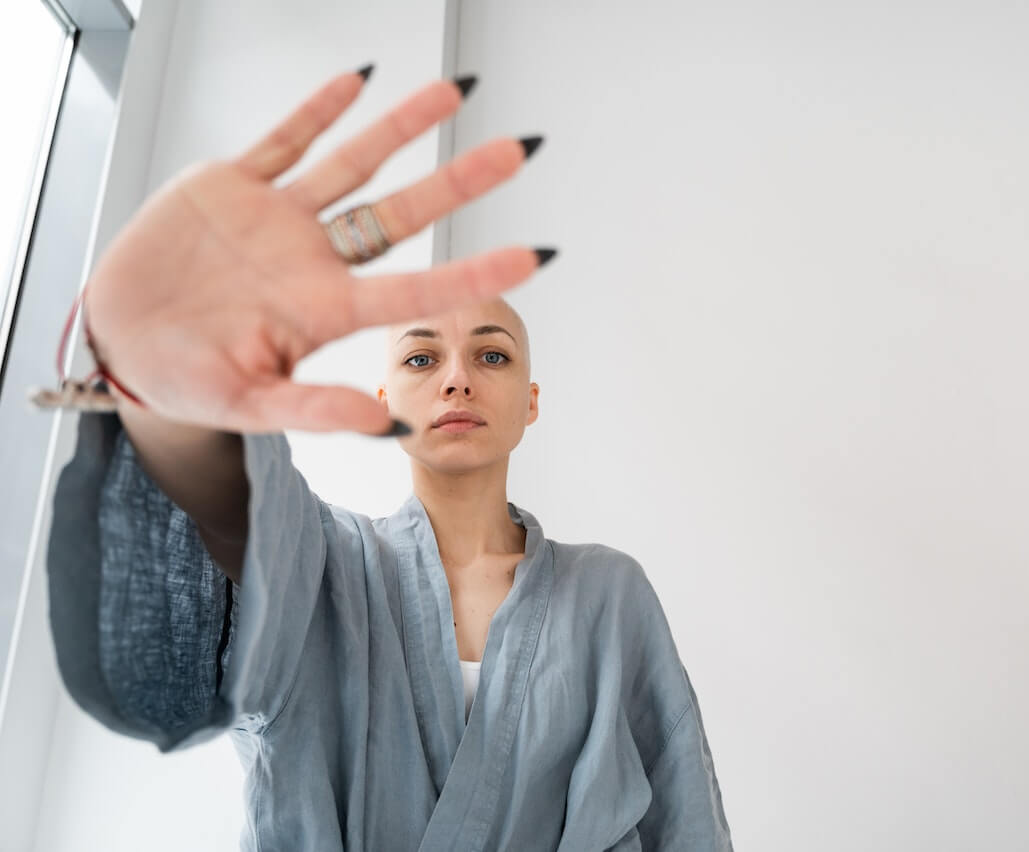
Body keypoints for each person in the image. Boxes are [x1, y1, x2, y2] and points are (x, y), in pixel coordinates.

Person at [43, 66, 733, 851]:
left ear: (530, 404)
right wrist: (168, 392)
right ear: (386, 396)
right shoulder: (327, 562)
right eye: (420, 359)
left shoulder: (610, 594)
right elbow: (222, 540)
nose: (457, 377)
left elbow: (687, 823)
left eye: (493, 356)